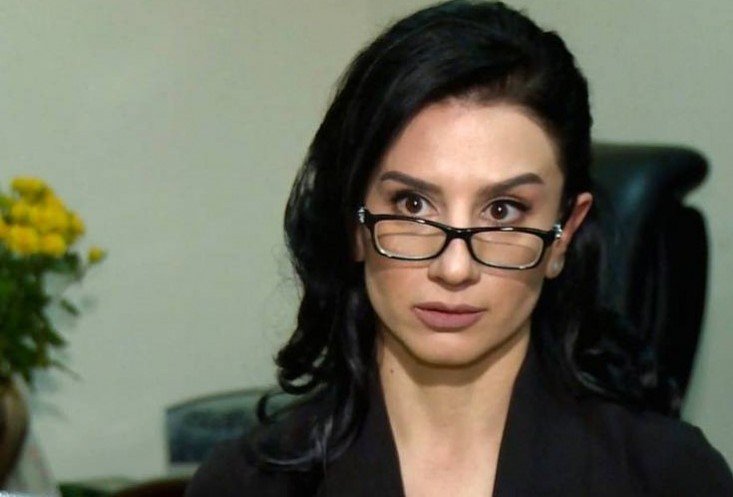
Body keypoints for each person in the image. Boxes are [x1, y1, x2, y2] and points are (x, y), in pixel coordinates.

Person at [186, 1, 733, 496]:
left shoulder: (672, 478)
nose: (454, 267)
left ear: (564, 232)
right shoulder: (243, 485)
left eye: (503, 211)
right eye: (412, 206)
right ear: (353, 222)